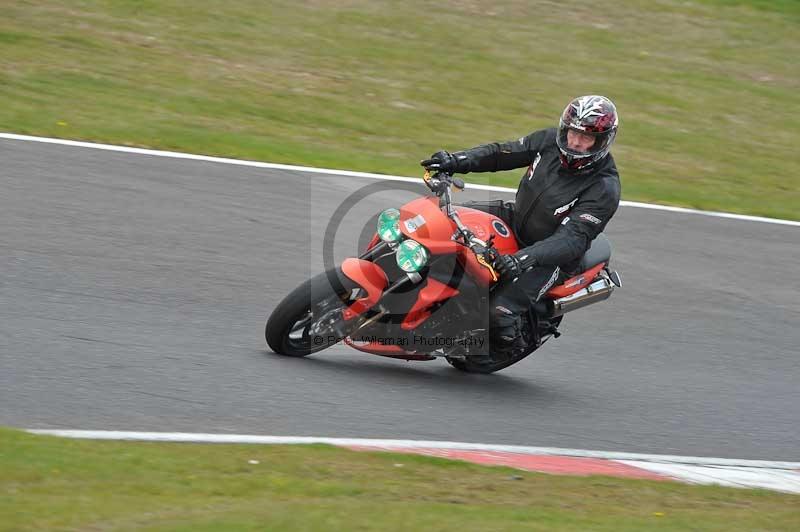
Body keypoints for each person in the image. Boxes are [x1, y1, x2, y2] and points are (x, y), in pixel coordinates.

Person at [421, 95, 621, 357]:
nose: (574, 141)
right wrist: (456, 160)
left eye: (585, 138)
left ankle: (509, 343)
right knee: (441, 221)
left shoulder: (604, 187)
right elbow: (501, 153)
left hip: (552, 258)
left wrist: (522, 259)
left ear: (602, 141)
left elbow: (573, 239)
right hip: (515, 218)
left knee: (497, 315)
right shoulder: (548, 141)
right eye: (572, 132)